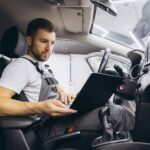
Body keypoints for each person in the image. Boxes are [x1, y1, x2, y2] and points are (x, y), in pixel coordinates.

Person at [0, 18, 102, 142]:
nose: (49, 48)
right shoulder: (21, 66)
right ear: (29, 40)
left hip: (56, 120)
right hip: (43, 129)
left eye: (52, 42)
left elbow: (61, 93)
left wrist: (70, 97)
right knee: (112, 113)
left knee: (105, 107)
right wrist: (40, 107)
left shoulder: (43, 68)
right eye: (43, 41)